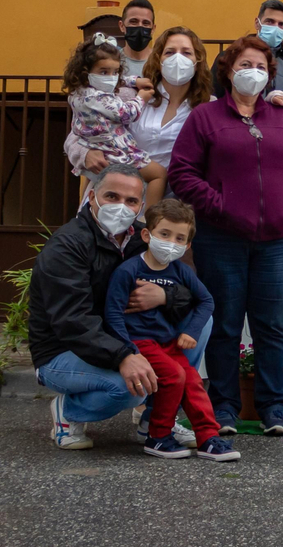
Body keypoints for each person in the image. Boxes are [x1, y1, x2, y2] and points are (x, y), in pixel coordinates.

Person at [168, 35, 283, 437]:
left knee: (271, 324)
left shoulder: (281, 118)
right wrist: (220, 207)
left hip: (277, 239)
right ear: (228, 72)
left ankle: (273, 409)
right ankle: (225, 408)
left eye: (261, 67)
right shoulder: (204, 118)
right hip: (221, 239)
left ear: (270, 75)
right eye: (244, 65)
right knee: (226, 324)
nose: (253, 72)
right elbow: (182, 174)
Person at [29, 164, 201, 450]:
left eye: (131, 201)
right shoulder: (68, 245)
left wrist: (165, 297)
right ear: (92, 196)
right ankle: (68, 413)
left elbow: (192, 290)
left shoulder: (144, 238)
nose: (121, 206)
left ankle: (157, 420)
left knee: (199, 322)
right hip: (62, 350)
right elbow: (71, 320)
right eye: (112, 197)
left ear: (141, 206)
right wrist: (123, 356)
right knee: (129, 386)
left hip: (123, 338)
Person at [104, 198, 238, 462]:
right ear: (147, 234)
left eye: (180, 238)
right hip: (139, 343)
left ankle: (208, 439)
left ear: (188, 245)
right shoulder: (127, 271)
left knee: (193, 381)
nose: (171, 243)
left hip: (168, 342)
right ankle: (158, 436)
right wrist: (127, 350)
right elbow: (113, 313)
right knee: (175, 376)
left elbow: (206, 300)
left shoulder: (181, 270)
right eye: (164, 234)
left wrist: (191, 331)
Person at [69, 26, 211, 178]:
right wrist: (85, 153)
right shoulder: (128, 95)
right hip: (118, 192)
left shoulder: (208, 108)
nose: (177, 59)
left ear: (197, 62)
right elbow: (77, 135)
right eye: (169, 52)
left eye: (186, 53)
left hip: (174, 198)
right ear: (158, 59)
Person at [62, 37, 165, 210]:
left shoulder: (78, 92)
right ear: (86, 72)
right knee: (159, 174)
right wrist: (141, 98)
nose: (111, 78)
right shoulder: (100, 98)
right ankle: (150, 220)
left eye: (115, 71)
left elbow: (115, 79)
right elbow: (126, 114)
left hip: (97, 150)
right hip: (114, 154)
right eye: (104, 72)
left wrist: (134, 81)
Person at [213, 0, 283, 111]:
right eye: (270, 21)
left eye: (281, 24)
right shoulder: (230, 57)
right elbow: (213, 96)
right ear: (257, 23)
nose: (275, 28)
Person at [117, 0, 156, 81]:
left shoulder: (161, 63)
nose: (140, 26)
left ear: (153, 29)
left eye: (146, 23)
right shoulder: (112, 62)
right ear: (122, 26)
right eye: (134, 22)